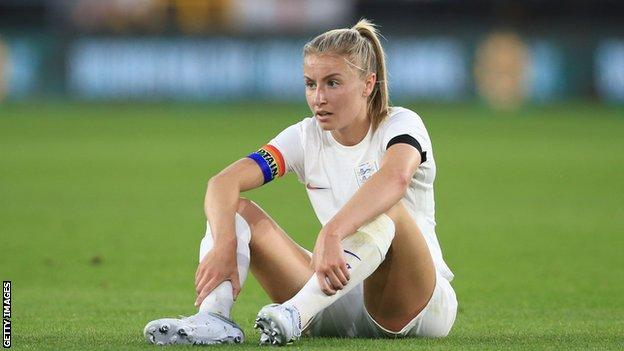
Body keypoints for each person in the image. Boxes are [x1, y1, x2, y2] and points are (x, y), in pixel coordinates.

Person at [144, 18, 457, 346]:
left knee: (388, 210)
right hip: (336, 293)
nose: (318, 97)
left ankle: (294, 313)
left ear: (368, 83)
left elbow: (395, 177)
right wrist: (224, 243)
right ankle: (215, 317)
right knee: (234, 211)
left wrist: (332, 230)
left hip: (415, 305)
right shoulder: (306, 136)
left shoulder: (400, 124)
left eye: (333, 83)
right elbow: (222, 183)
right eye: (310, 84)